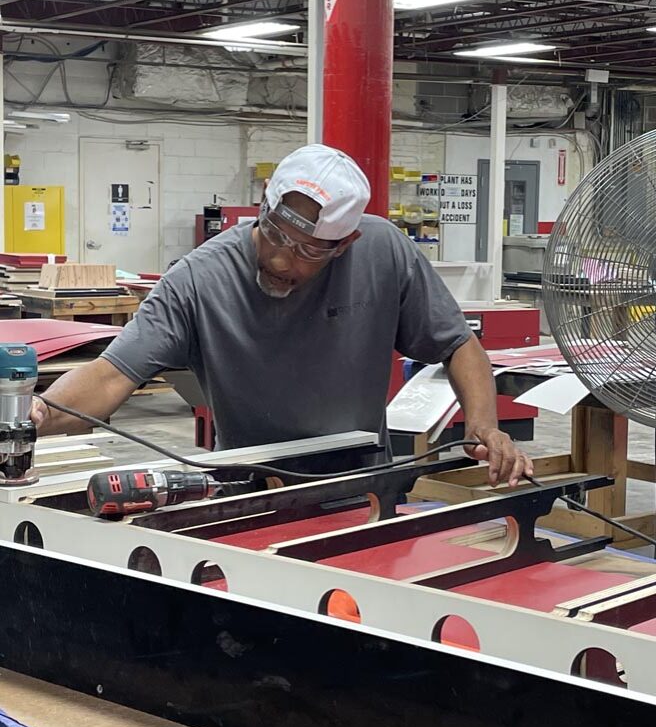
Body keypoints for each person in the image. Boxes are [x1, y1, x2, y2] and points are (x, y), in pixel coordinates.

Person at [33, 144, 532, 486]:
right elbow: (107, 376)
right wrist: (33, 418)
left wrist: (483, 425)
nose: (279, 258)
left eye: (306, 251)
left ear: (345, 244)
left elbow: (457, 344)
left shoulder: (384, 252)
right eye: (274, 233)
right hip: (249, 485)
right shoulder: (199, 279)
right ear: (265, 204)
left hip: (362, 481)